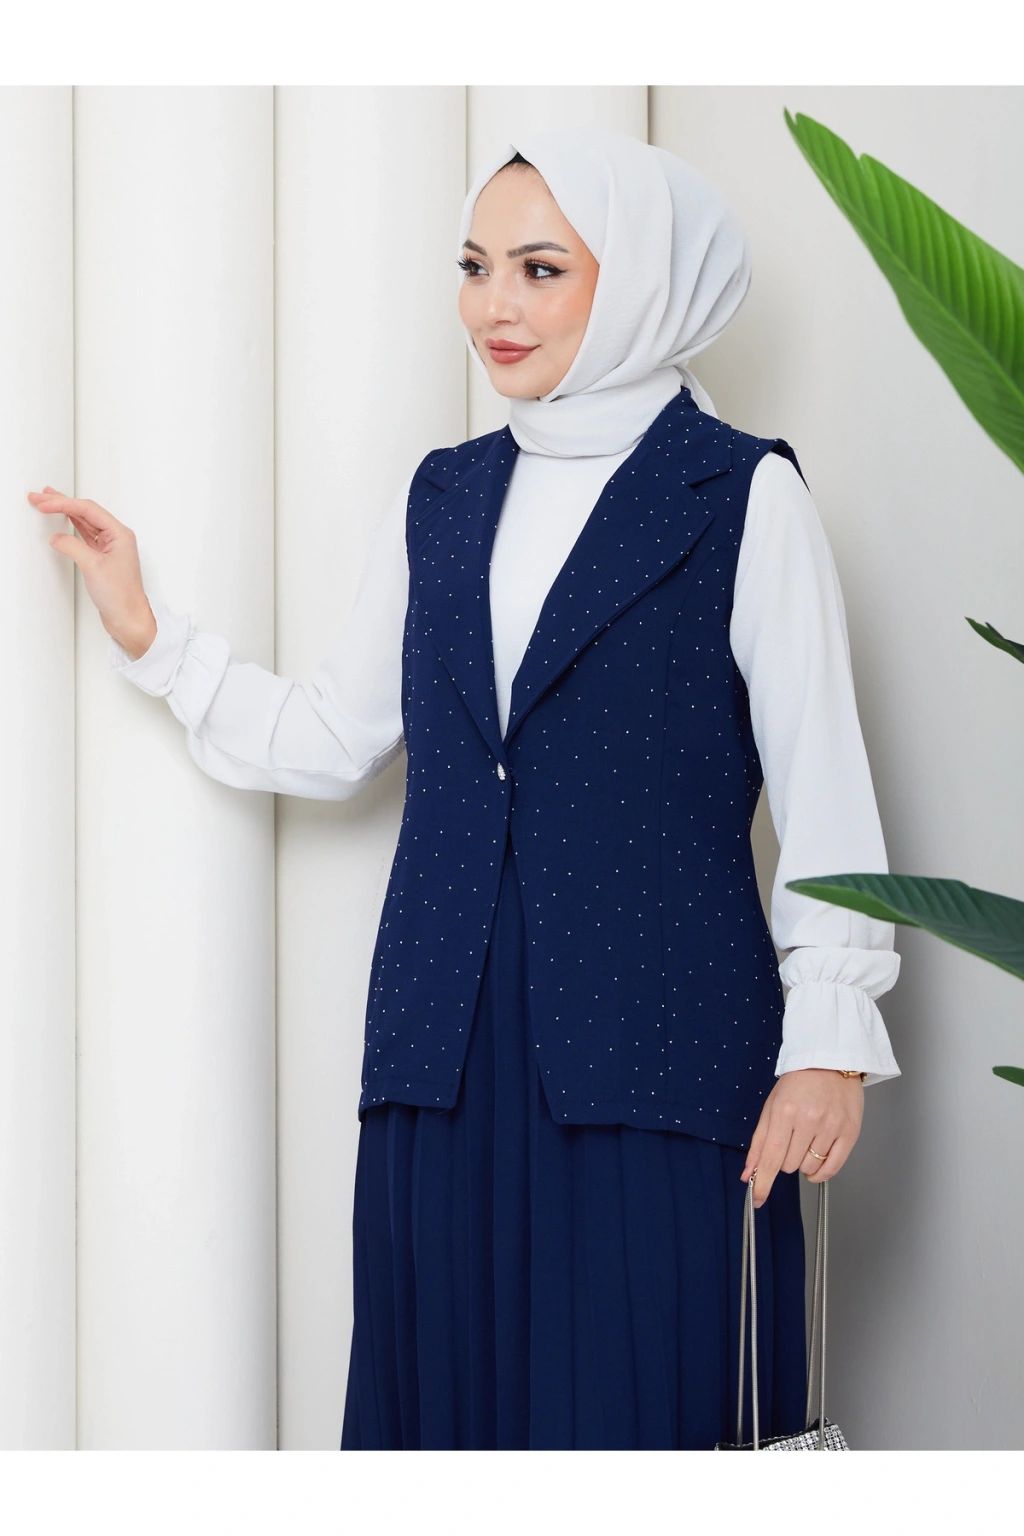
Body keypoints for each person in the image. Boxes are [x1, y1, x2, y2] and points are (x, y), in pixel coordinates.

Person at [28, 126, 901, 1451]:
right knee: (448, 1424)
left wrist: (829, 1043)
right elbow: (337, 733)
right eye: (475, 264)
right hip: (442, 1058)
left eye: (541, 268)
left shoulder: (741, 495)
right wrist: (152, 634)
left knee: (649, 1419)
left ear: (640, 278)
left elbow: (826, 784)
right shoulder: (444, 494)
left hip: (664, 1059)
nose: (495, 304)